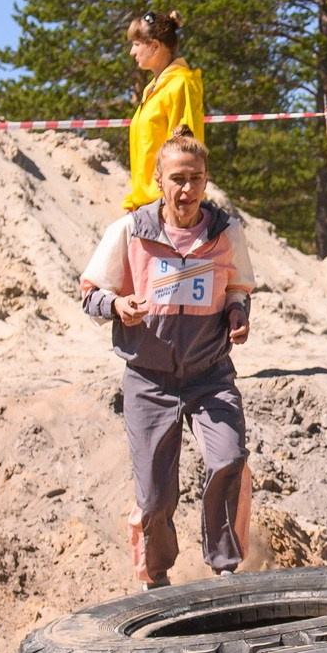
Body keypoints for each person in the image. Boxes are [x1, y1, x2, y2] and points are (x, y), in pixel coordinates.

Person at [78, 134, 254, 586]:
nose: (187, 189)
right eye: (177, 179)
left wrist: (237, 312)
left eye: (196, 179)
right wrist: (116, 307)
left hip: (210, 374)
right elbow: (90, 295)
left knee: (229, 457)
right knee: (155, 498)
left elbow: (238, 288)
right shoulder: (130, 231)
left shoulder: (225, 231)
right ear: (159, 181)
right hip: (148, 380)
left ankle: (224, 567)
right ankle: (156, 577)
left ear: (206, 180)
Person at [120, 11, 205, 212]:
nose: (132, 52)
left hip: (168, 208)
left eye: (137, 44)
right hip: (147, 207)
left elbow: (186, 151)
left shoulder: (180, 84)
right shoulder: (153, 90)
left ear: (155, 46)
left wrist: (173, 210)